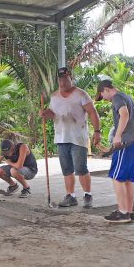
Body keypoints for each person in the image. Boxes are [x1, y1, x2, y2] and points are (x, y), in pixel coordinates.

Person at [40, 67, 101, 209]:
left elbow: (92, 113)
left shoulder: (81, 94)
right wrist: (44, 113)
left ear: (70, 78)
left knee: (81, 167)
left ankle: (87, 194)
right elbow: (52, 114)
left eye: (65, 79)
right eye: (60, 79)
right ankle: (71, 196)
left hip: (78, 137)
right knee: (66, 169)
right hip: (61, 137)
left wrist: (97, 131)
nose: (62, 82)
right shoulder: (54, 97)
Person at [95, 79, 134, 223]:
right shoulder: (127, 97)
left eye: (102, 95)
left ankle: (122, 213)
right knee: (128, 179)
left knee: (117, 177)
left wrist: (118, 136)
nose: (103, 99)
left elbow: (124, 114)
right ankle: (128, 212)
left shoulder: (117, 98)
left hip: (126, 142)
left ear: (106, 90)